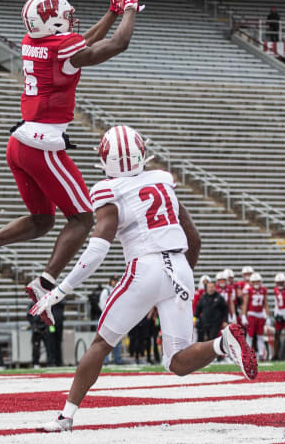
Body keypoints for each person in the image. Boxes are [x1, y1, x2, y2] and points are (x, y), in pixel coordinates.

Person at [30, 125, 257, 432]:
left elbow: (97, 249)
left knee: (100, 344)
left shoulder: (107, 190)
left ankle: (65, 417)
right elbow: (195, 237)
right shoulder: (163, 180)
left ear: (104, 160)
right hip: (180, 266)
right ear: (141, 153)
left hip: (144, 267)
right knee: (176, 361)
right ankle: (222, 343)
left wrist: (62, 288)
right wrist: (178, 281)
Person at [0, 0, 145, 320]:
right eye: (65, 15)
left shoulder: (34, 40)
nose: (72, 21)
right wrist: (130, 10)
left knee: (43, 220)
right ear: (51, 21)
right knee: (82, 218)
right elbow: (117, 45)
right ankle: (44, 285)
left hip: (19, 143)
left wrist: (111, 12)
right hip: (42, 145)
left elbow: (78, 45)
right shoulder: (59, 48)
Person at [241, 272, 270, 360]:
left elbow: (266, 303)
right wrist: (243, 315)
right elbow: (245, 304)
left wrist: (267, 315)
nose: (256, 283)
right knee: (250, 335)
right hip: (252, 314)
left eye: (258, 282)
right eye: (254, 282)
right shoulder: (248, 290)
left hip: (260, 314)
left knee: (260, 335)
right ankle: (247, 354)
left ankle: (261, 354)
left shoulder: (263, 290)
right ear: (251, 282)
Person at [195, 278, 228, 343]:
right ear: (206, 288)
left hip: (215, 323)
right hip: (205, 322)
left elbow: (225, 310)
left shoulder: (219, 297)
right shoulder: (203, 297)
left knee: (212, 339)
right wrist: (194, 319)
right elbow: (198, 309)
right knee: (203, 339)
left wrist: (225, 321)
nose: (211, 289)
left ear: (215, 288)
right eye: (209, 287)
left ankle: (213, 353)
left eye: (212, 287)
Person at [100, 275, 123, 365]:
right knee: (106, 340)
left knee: (117, 340)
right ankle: (105, 360)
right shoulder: (106, 291)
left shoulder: (117, 290)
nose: (115, 282)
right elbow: (102, 304)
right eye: (114, 280)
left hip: (117, 317)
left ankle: (118, 359)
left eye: (116, 280)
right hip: (109, 318)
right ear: (110, 281)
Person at [272, 273, 285, 361]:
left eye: (281, 282)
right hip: (279, 314)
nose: (280, 284)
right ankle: (276, 355)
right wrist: (276, 313)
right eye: (278, 283)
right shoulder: (275, 289)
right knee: (277, 334)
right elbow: (276, 303)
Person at [27, 302, 50, 368]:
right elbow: (29, 316)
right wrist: (34, 327)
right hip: (36, 329)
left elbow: (49, 315)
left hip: (45, 328)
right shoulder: (32, 304)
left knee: (48, 346)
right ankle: (35, 363)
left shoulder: (45, 303)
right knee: (36, 347)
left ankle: (50, 362)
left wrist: (47, 326)